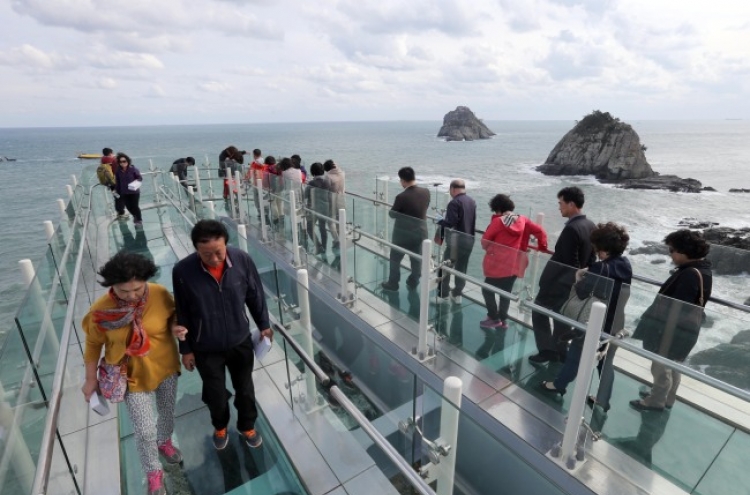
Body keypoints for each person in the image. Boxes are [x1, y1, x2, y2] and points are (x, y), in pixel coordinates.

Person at [81, 252, 183, 495]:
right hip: (131, 376)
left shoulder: (158, 293)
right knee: (144, 429)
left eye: (137, 289)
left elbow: (172, 315)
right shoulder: (100, 310)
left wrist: (175, 326)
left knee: (167, 410)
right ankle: (153, 471)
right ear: (111, 285)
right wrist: (90, 379)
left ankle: (165, 441)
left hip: (165, 365)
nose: (132, 296)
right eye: (123, 291)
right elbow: (93, 345)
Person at [172, 220, 274, 450]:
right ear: (196, 249)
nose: (215, 259)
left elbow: (254, 295)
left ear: (226, 244)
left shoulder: (242, 261)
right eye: (206, 254)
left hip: (240, 340)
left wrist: (264, 325)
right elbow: (182, 311)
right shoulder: (182, 272)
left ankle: (247, 425)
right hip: (205, 347)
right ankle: (220, 425)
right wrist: (185, 350)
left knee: (245, 388)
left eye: (219, 252)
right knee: (215, 393)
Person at [540, 222, 632, 406]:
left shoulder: (600, 268)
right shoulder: (625, 265)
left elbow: (582, 293)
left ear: (602, 247)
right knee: (605, 363)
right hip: (616, 321)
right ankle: (603, 401)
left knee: (576, 353)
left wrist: (579, 277)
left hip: (596, 321)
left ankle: (558, 385)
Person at [629, 229, 712, 412]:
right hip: (686, 331)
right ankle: (668, 398)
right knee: (674, 365)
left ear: (684, 251)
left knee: (661, 367)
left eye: (672, 250)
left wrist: (661, 333)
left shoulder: (689, 273)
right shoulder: (704, 270)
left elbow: (677, 308)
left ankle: (655, 401)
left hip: (671, 330)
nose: (670, 254)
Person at [529, 186, 596, 364]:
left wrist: (555, 284)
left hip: (558, 285)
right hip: (573, 286)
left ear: (571, 204)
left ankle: (546, 351)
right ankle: (561, 352)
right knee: (562, 320)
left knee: (539, 312)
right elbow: (591, 259)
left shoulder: (572, 229)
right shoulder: (591, 226)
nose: (559, 207)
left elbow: (568, 262)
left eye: (561, 203)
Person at [480, 194, 548, 329]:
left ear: (498, 209)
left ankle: (494, 318)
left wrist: (490, 247)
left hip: (497, 265)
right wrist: (542, 247)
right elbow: (540, 231)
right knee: (505, 292)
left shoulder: (498, 221)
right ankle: (503, 320)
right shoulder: (523, 220)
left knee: (487, 289)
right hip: (515, 265)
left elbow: (484, 242)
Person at [380, 167, 431, 292]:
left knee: (395, 259)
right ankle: (413, 281)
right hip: (420, 233)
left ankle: (393, 283)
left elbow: (392, 214)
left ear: (403, 180)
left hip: (402, 235)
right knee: (417, 260)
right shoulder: (426, 192)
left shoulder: (401, 197)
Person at [436, 179, 476, 304]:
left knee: (445, 267)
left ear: (453, 189)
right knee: (462, 268)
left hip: (456, 241)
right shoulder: (472, 201)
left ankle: (443, 295)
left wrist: (440, 220)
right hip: (470, 240)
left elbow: (450, 222)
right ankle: (457, 295)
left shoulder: (454, 203)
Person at [305, 162, 331, 254]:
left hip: (314, 209)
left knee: (309, 228)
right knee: (322, 228)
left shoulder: (311, 183)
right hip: (325, 208)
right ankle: (324, 248)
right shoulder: (327, 182)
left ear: (313, 171)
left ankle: (318, 246)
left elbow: (305, 195)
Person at [114, 152, 144, 226]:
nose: (122, 163)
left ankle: (139, 220)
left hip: (134, 192)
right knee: (128, 207)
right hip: (124, 192)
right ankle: (135, 216)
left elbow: (140, 178)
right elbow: (118, 181)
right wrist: (117, 191)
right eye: (120, 162)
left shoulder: (133, 169)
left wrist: (135, 182)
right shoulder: (118, 171)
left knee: (135, 206)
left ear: (127, 161)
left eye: (124, 161)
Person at [324, 159, 345, 249]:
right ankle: (341, 238)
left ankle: (336, 240)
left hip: (331, 200)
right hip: (342, 198)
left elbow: (325, 189)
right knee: (339, 219)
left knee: (330, 221)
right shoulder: (342, 173)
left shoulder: (328, 176)